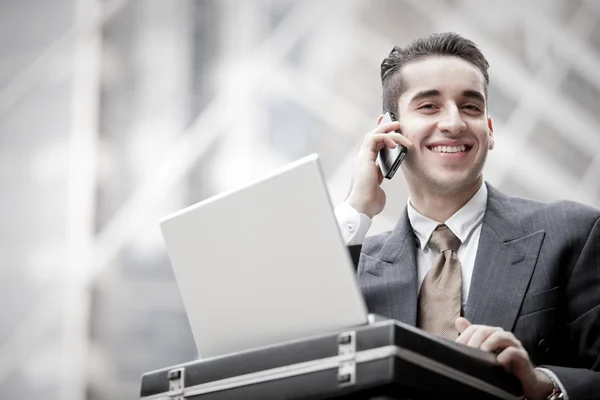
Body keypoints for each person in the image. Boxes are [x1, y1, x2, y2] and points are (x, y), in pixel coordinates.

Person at [334, 32, 600, 400]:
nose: (455, 123)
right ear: (389, 131)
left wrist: (543, 387)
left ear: (489, 132)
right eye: (429, 106)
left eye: (471, 107)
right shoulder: (354, 264)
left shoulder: (574, 234)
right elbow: (288, 351)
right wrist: (356, 208)